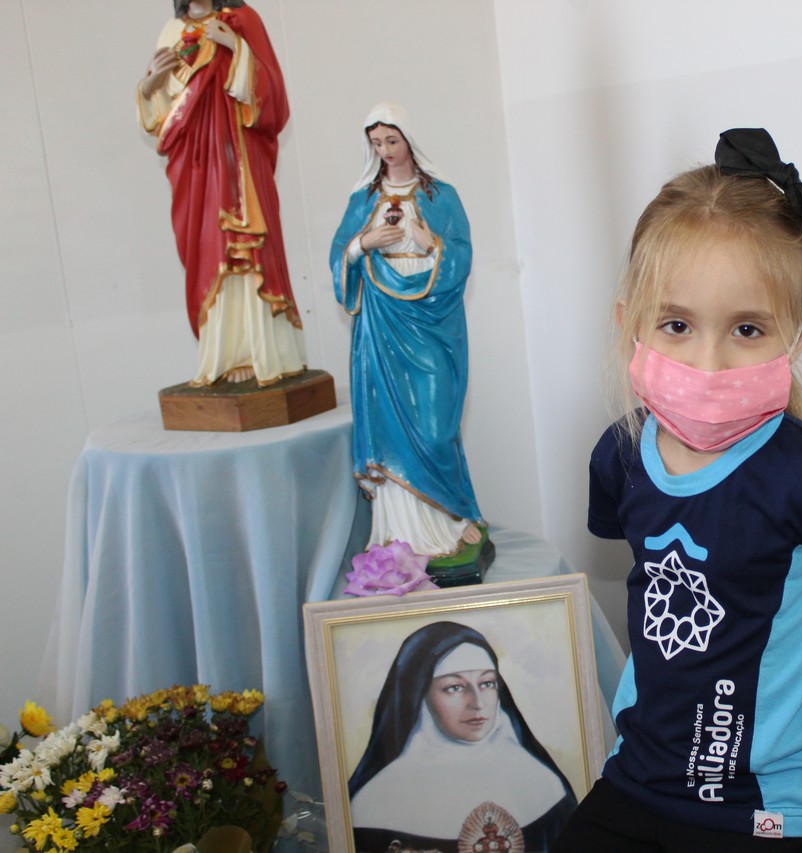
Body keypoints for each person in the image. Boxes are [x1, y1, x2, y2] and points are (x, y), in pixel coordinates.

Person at [555, 129, 802, 852]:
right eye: (676, 324)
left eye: (746, 328)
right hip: (636, 780)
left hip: (766, 810)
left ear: (798, 335)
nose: (707, 363)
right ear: (629, 323)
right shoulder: (620, 454)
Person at [331, 103, 487, 561]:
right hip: (381, 321)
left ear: (409, 140)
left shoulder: (441, 195)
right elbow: (339, 253)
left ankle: (450, 516)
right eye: (376, 143)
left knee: (436, 427)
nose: (384, 150)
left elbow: (461, 254)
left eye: (391, 140)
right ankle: (400, 531)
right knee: (388, 421)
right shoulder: (364, 198)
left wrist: (430, 243)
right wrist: (364, 243)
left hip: (429, 320)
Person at [137, 0, 307, 387]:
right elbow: (164, 110)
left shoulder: (242, 19)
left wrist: (235, 46)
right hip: (195, 162)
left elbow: (273, 96)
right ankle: (224, 353)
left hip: (239, 155)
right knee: (207, 243)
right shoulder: (172, 31)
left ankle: (259, 351)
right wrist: (148, 86)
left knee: (245, 243)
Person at [348, 621, 579, 853]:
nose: (477, 703)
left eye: (487, 683)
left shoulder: (544, 785)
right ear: (419, 695)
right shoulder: (373, 804)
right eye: (455, 687)